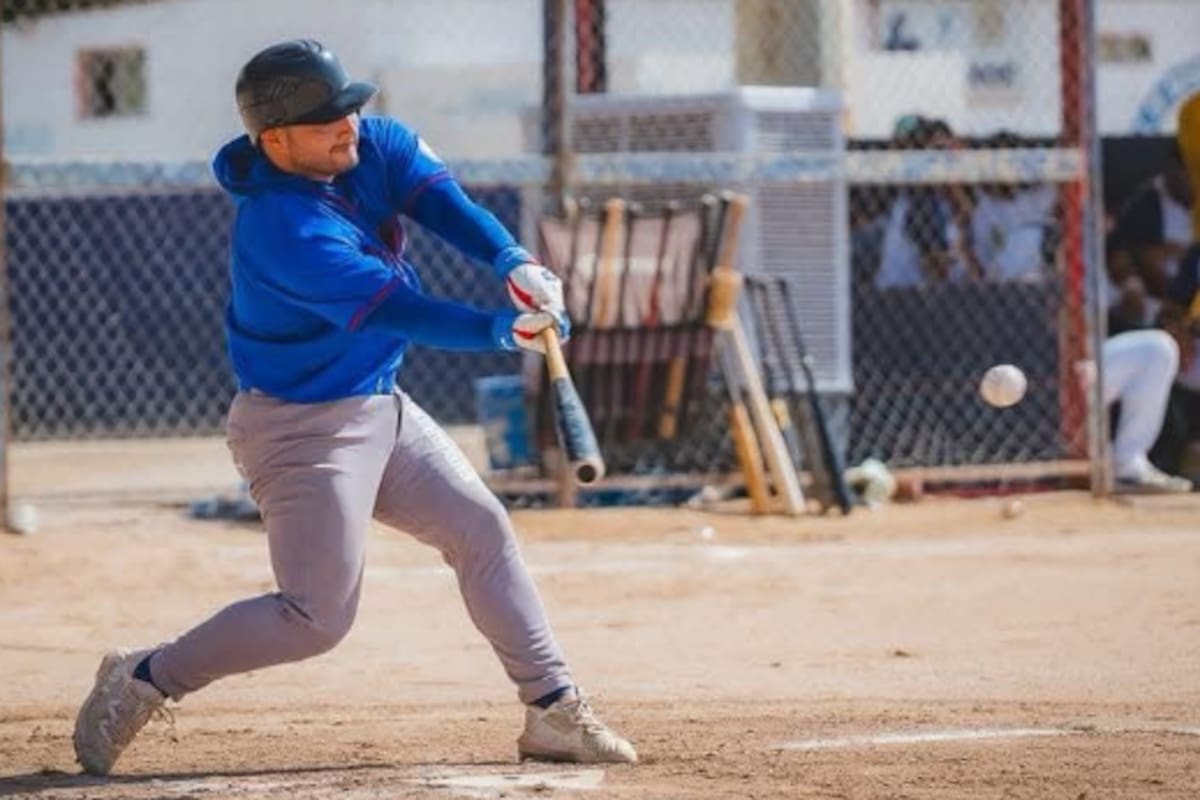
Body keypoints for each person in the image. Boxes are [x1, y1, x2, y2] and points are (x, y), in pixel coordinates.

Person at [72, 39, 637, 776]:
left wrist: (514, 262)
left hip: (381, 406)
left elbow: (442, 202)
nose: (347, 125)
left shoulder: (368, 143)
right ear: (273, 140)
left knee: (481, 530)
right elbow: (398, 309)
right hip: (301, 429)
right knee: (313, 620)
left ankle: (552, 707)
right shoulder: (284, 229)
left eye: (348, 106)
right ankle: (144, 678)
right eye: (323, 119)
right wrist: (504, 330)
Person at [875, 116, 984, 289]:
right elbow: (939, 273)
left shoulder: (954, 195)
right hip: (912, 298)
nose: (940, 158)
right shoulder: (922, 202)